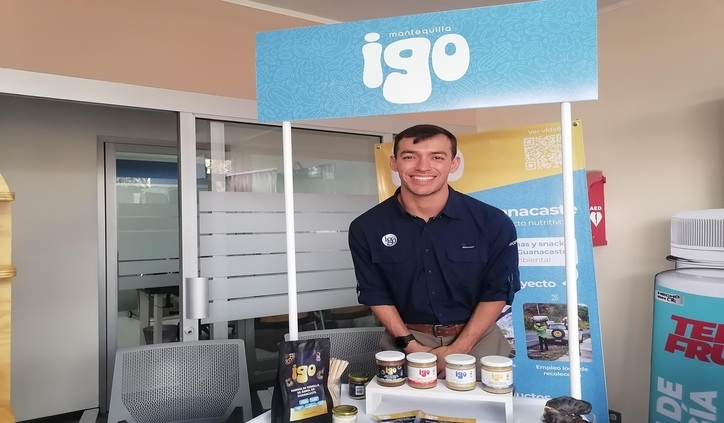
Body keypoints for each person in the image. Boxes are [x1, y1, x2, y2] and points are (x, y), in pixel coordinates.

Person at [348, 124, 520, 373]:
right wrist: (412, 347)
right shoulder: (366, 227)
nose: (423, 167)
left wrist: (459, 347)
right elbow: (374, 293)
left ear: (454, 164)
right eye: (410, 156)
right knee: (398, 401)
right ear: (394, 163)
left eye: (437, 157)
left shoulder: (492, 222)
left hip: (478, 340)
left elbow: (498, 290)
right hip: (404, 342)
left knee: (486, 400)